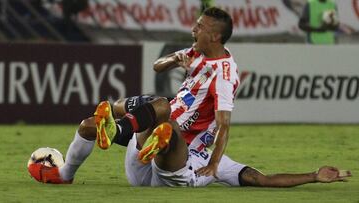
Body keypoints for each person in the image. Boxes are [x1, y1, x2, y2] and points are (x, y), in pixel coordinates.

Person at [28, 7, 351, 186]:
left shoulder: (225, 73)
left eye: (199, 26)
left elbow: (230, 134)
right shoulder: (195, 52)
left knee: (165, 118)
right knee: (90, 125)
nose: (193, 29)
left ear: (215, 35)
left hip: (179, 162)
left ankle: (133, 128)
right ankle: (67, 174)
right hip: (146, 152)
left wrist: (313, 176)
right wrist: (174, 60)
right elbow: (158, 65)